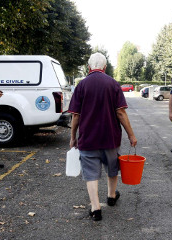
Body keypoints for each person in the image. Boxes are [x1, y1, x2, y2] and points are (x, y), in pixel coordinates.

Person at [68, 52, 137, 221]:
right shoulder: (113, 84)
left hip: (88, 139)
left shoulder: (81, 86)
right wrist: (131, 135)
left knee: (91, 173)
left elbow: (75, 116)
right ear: (104, 67)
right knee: (112, 168)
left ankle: (96, 208)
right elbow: (120, 112)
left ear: (89, 67)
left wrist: (72, 137)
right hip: (110, 138)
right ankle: (111, 196)